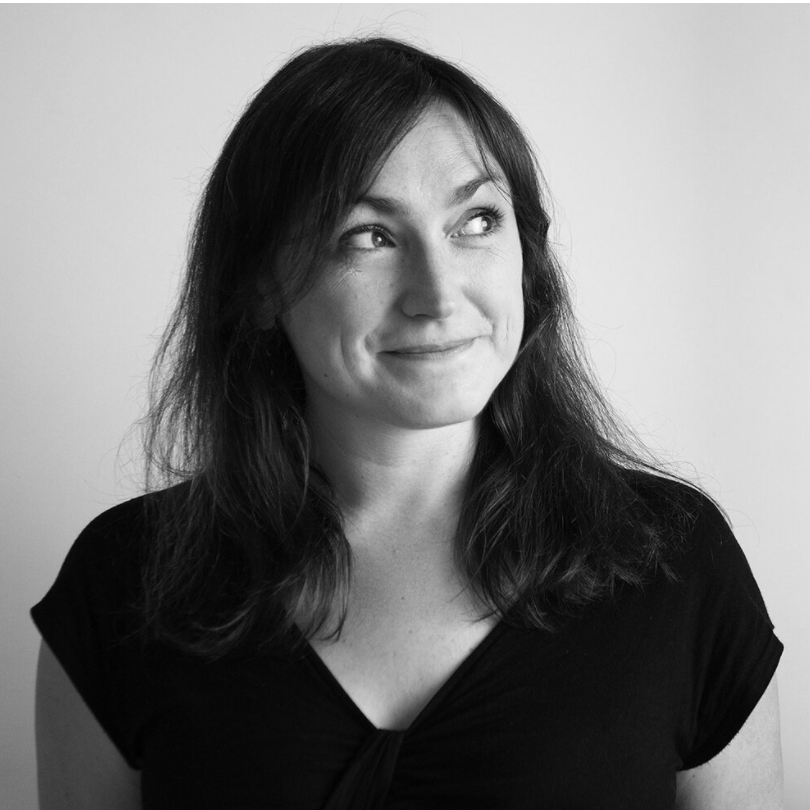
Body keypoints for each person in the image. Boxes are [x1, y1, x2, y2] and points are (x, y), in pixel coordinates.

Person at [33, 38, 784, 809]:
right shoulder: (125, 586)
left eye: (477, 220)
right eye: (370, 236)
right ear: (258, 286)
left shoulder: (674, 562)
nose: (439, 292)